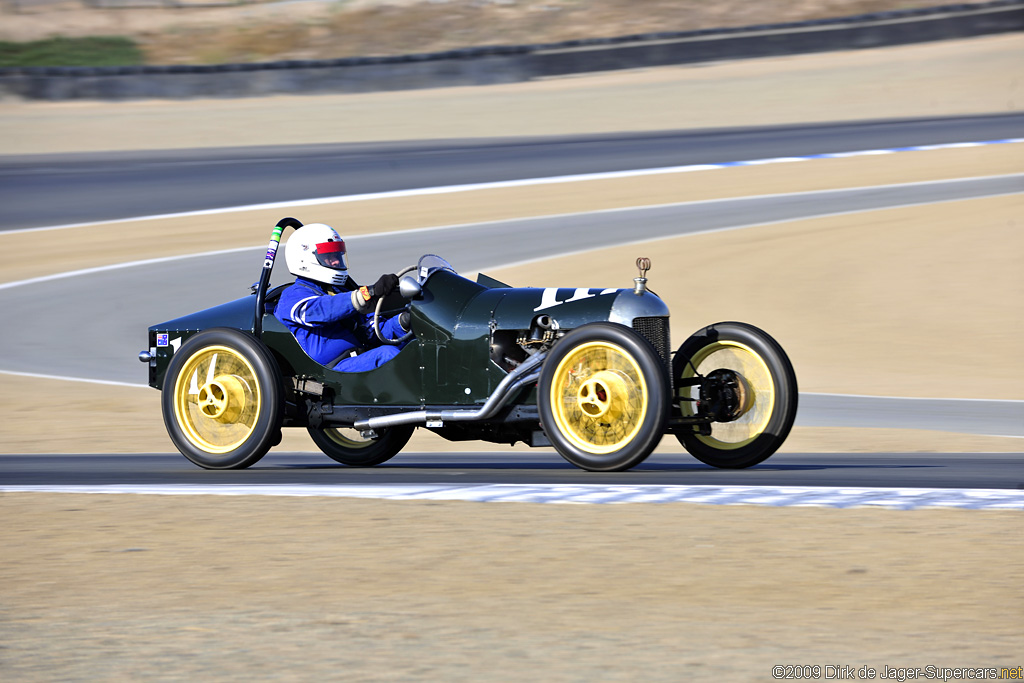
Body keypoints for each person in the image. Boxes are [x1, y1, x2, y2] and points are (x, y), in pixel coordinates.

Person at [274, 223, 411, 371]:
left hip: (361, 358)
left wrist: (405, 321)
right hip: (330, 373)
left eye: (337, 255)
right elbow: (323, 310)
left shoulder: (340, 290)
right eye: (328, 256)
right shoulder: (292, 296)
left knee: (417, 345)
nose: (336, 261)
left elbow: (373, 331)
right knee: (387, 354)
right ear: (305, 259)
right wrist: (367, 293)